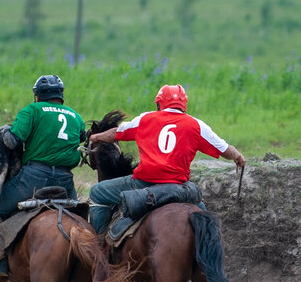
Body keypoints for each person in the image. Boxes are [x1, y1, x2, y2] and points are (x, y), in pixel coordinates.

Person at [86, 84, 246, 235]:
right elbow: (225, 149)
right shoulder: (197, 125)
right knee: (202, 212)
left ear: (159, 104)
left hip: (143, 183)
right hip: (179, 187)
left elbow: (115, 133)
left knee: (97, 192)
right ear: (184, 105)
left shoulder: (145, 119)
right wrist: (238, 157)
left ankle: (98, 246)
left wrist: (95, 136)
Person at [0, 74, 87, 278]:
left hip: (33, 178)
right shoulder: (76, 116)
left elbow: (12, 142)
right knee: (80, 218)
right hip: (65, 180)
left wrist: (5, 131)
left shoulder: (32, 110)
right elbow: (82, 137)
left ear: (38, 95)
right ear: (60, 95)